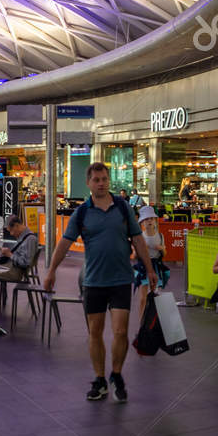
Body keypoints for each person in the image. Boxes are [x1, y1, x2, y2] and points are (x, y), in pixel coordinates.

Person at [42, 161, 157, 402]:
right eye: (97, 180)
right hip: (93, 281)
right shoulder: (82, 212)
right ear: (88, 183)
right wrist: (51, 270)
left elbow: (137, 239)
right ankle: (100, 379)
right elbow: (64, 243)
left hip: (121, 279)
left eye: (104, 179)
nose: (101, 183)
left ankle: (116, 374)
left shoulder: (123, 208)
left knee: (120, 331)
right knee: (95, 332)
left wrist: (149, 270)